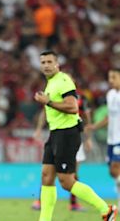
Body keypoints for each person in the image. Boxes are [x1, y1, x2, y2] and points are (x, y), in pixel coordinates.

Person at [33, 50, 116, 221]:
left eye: (50, 62)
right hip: (55, 133)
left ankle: (106, 209)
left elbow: (72, 107)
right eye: (43, 62)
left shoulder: (63, 81)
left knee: (66, 181)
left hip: (67, 134)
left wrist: (48, 101)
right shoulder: (51, 83)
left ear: (57, 64)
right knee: (46, 176)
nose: (46, 65)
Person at [32, 91, 94, 211]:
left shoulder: (80, 97)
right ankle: (40, 201)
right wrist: (39, 129)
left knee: (72, 174)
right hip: (56, 136)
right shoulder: (53, 94)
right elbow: (44, 112)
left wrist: (88, 138)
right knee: (48, 172)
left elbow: (87, 117)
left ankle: (74, 203)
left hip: (73, 136)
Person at [86, 68, 120, 208]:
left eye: (114, 77)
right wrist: (95, 126)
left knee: (115, 168)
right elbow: (109, 117)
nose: (111, 80)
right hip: (111, 139)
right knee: (113, 173)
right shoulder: (110, 94)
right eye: (109, 77)